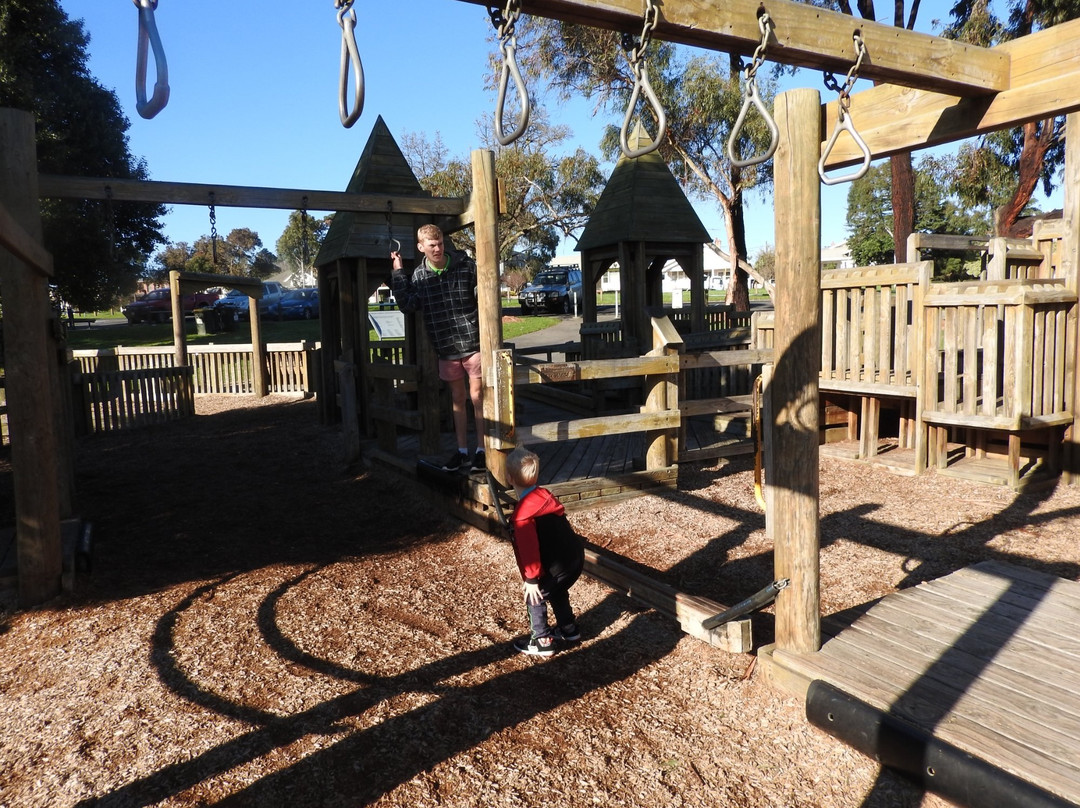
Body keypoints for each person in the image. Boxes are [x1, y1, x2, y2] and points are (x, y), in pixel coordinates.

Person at [391, 224, 486, 473]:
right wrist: (398, 272)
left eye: (440, 243)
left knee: (478, 396)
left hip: (473, 343)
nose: (437, 248)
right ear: (421, 247)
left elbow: (485, 293)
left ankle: (482, 450)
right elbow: (408, 305)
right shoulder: (419, 277)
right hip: (446, 347)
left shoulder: (465, 266)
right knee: (457, 399)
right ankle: (463, 451)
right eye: (432, 245)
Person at [505, 445, 585, 657]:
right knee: (557, 589)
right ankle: (569, 629)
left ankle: (541, 640)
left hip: (557, 565)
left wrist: (531, 579)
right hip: (575, 558)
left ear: (509, 478)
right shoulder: (545, 497)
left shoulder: (523, 516)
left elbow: (529, 549)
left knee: (535, 594)